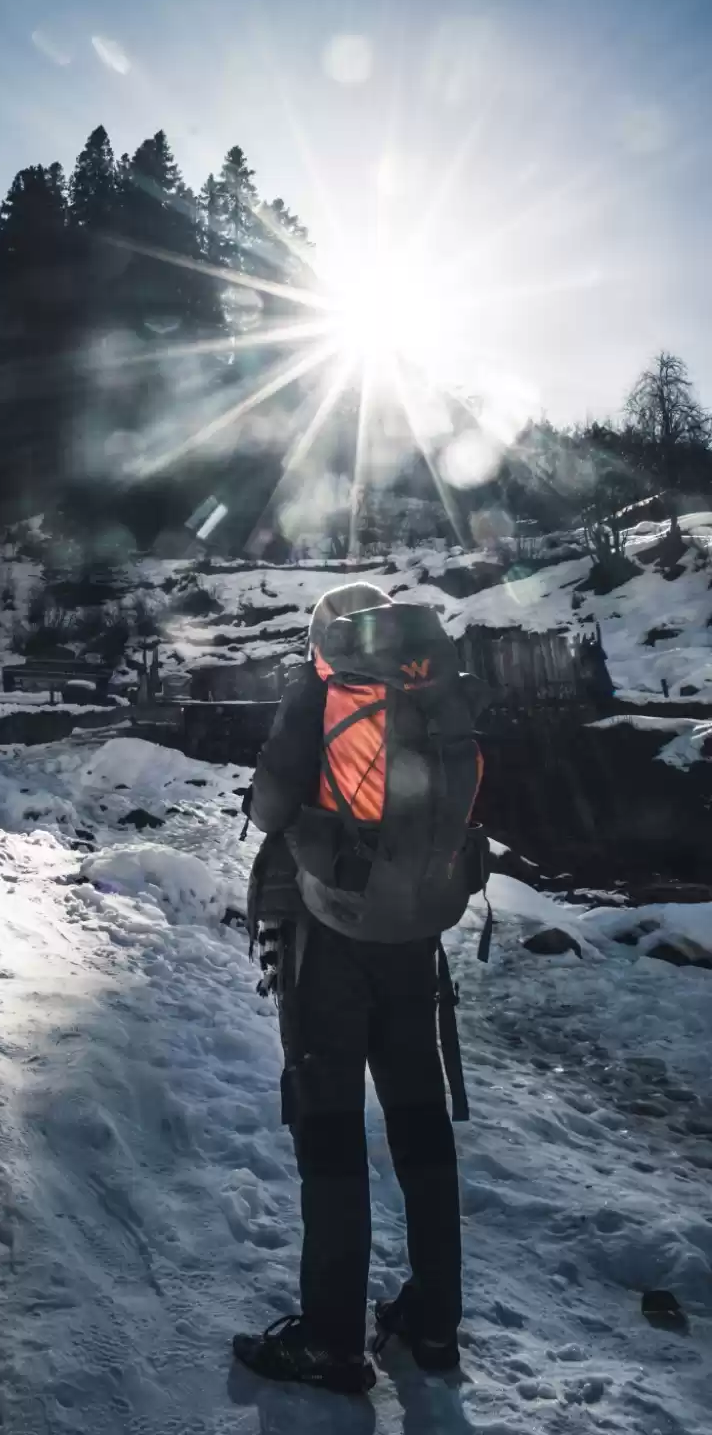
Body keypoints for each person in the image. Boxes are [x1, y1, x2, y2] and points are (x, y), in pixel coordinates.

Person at [233, 582, 485, 1395]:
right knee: (420, 1129)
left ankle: (334, 1344)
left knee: (333, 1136)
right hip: (415, 940)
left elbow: (272, 805)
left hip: (328, 941)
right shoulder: (428, 690)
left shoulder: (320, 695)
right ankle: (434, 1324)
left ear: (325, 643)